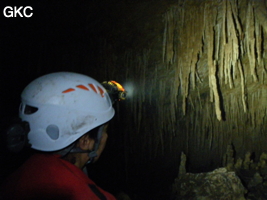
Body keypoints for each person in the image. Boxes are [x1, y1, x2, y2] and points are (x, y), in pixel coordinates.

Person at [1, 72, 117, 200]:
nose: (105, 136)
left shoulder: (17, 178)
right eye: (104, 130)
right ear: (86, 141)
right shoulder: (83, 194)